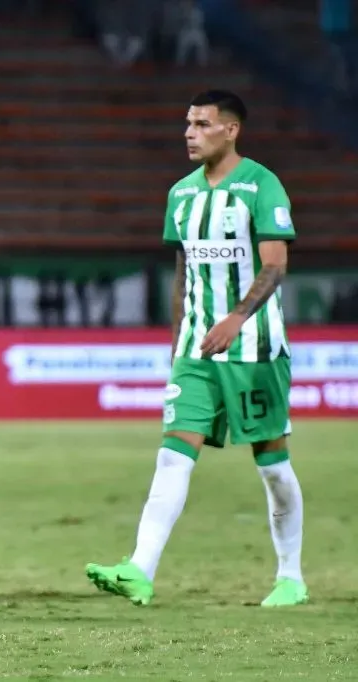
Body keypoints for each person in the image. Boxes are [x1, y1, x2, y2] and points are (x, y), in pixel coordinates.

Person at [86, 90, 306, 608]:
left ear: (230, 130)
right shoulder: (180, 195)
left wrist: (236, 317)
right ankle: (139, 570)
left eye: (202, 124)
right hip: (197, 352)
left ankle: (290, 577)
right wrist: (177, 340)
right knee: (172, 456)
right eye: (187, 123)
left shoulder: (261, 184)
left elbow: (274, 265)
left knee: (273, 466)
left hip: (254, 348)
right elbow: (183, 272)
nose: (189, 132)